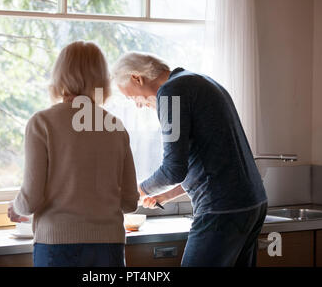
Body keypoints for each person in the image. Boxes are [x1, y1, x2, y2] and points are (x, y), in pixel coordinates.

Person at [111, 52, 268, 267]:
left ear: (137, 78)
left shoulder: (170, 92)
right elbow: (210, 163)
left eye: (131, 97)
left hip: (222, 209)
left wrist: (136, 191)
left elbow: (173, 169)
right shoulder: (198, 81)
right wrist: (165, 195)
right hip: (252, 203)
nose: (137, 104)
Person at [8, 41, 140, 267]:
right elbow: (130, 203)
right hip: (108, 246)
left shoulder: (42, 123)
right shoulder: (115, 127)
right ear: (101, 79)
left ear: (59, 75)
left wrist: (16, 207)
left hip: (57, 246)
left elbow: (30, 200)